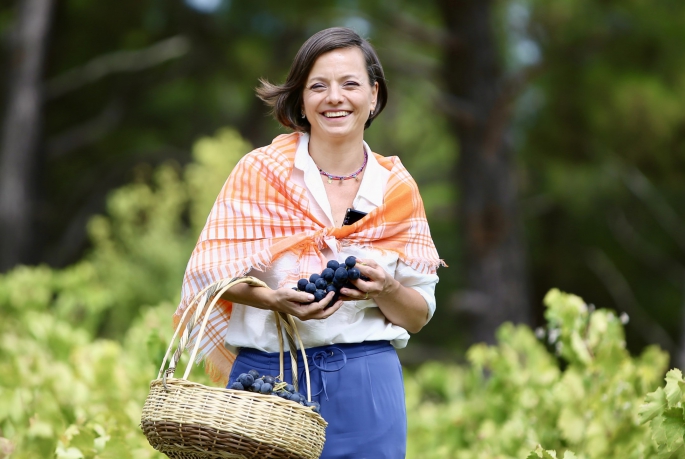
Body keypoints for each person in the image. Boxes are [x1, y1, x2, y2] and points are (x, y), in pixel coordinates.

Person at [174, 27, 443, 458]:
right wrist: (272, 299)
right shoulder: (259, 174)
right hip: (267, 384)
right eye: (318, 85)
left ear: (373, 96)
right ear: (301, 99)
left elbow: (417, 317)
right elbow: (208, 280)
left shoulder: (397, 188)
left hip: (367, 390)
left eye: (350, 84)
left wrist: (387, 289)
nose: (334, 97)